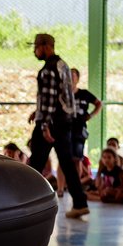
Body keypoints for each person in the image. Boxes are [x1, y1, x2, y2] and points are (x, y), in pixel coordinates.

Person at [26, 34, 89, 219]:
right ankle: (80, 203)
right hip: (64, 123)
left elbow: (49, 99)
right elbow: (62, 97)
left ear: (46, 46)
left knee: (35, 164)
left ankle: (25, 202)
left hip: (50, 124)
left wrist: (44, 124)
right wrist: (38, 111)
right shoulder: (63, 65)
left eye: (36, 47)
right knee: (67, 164)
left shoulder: (48, 70)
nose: (35, 51)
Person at [70, 68, 102, 160]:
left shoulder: (84, 94)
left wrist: (91, 115)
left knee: (78, 156)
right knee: (65, 157)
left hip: (79, 129)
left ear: (77, 79)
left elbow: (99, 104)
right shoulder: (61, 94)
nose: (70, 79)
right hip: (64, 128)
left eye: (73, 76)